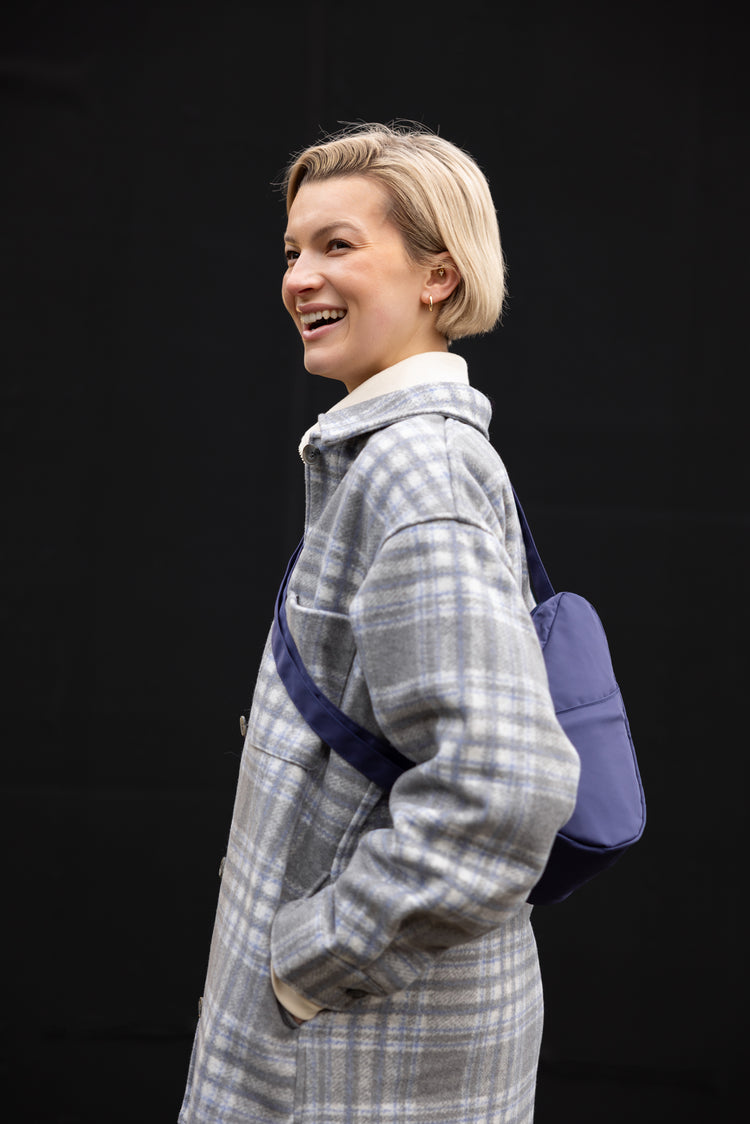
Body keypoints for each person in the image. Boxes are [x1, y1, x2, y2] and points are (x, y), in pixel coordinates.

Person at [179, 122, 580, 1124]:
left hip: (362, 1062)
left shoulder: (415, 472)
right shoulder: (393, 456)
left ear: (438, 276)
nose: (300, 278)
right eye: (292, 250)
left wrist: (314, 960)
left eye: (338, 245)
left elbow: (504, 788)